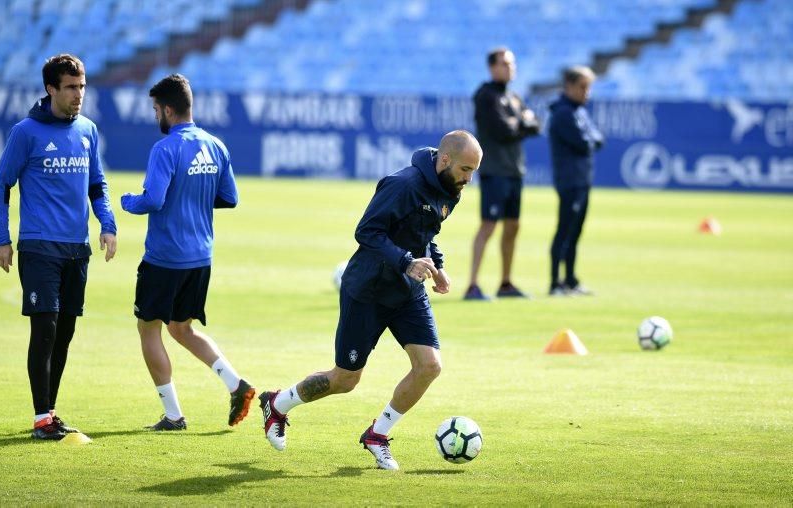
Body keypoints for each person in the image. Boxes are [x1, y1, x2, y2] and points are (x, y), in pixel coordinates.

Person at [258, 131, 483, 470]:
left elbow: (427, 236)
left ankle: (377, 435)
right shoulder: (402, 185)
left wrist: (437, 268)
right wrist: (407, 262)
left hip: (407, 293)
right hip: (368, 291)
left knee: (430, 366)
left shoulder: (451, 190)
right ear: (445, 160)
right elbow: (367, 232)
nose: (468, 179)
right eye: (466, 169)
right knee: (345, 380)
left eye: (473, 172)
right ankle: (278, 403)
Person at [0, 54, 118, 440]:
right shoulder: (25, 132)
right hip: (39, 246)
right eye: (70, 87)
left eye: (81, 86)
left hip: (76, 249)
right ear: (51, 89)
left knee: (64, 333)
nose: (79, 94)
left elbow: (97, 185)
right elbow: (0, 186)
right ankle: (40, 417)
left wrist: (107, 225)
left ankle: (50, 412)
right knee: (45, 328)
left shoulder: (88, 130)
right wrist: (1, 239)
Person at [121, 74, 254, 431]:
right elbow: (230, 198)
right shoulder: (215, 145)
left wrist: (126, 201)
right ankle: (237, 385)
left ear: (167, 109)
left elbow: (153, 199)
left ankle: (173, 415)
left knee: (149, 329)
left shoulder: (165, 149)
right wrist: (194, 195)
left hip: (165, 257)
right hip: (200, 257)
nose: (155, 117)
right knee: (182, 328)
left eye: (155, 110)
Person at [465, 47, 540, 301]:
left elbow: (535, 124)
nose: (511, 68)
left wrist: (520, 124)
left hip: (514, 170)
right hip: (494, 170)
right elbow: (502, 129)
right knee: (489, 225)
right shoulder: (485, 96)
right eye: (505, 64)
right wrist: (522, 123)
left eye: (512, 63)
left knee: (513, 225)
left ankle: (506, 283)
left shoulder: (515, 97)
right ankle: (472, 284)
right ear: (492, 67)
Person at [547, 66, 604, 296]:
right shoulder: (563, 114)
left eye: (588, 87)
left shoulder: (578, 111)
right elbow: (585, 142)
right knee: (564, 230)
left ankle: (570, 279)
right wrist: (590, 139)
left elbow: (598, 139)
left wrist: (590, 139)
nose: (586, 92)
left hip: (581, 180)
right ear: (569, 86)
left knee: (575, 232)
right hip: (570, 181)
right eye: (582, 87)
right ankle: (554, 283)